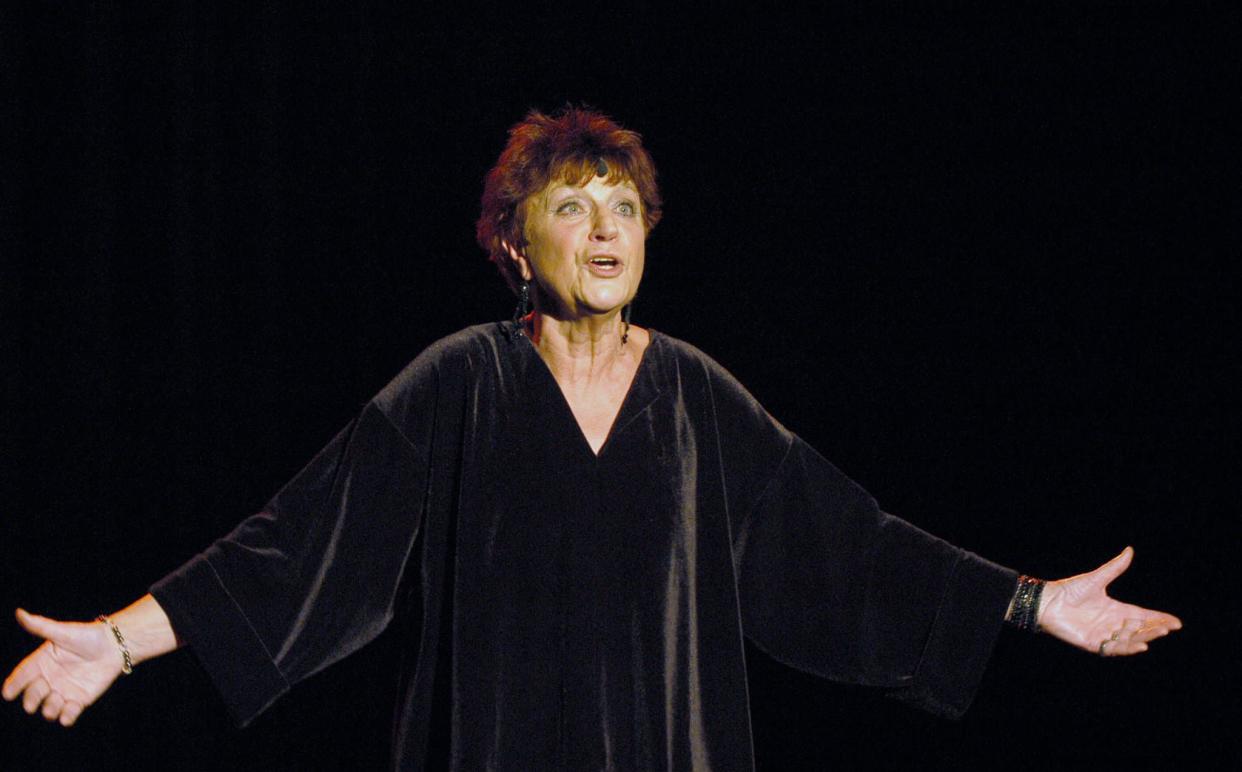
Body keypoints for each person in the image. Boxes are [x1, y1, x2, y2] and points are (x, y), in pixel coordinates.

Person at [4, 107, 1182, 769]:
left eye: (624, 206)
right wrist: (115, 642)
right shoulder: (458, 383)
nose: (605, 224)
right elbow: (300, 543)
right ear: (514, 245)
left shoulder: (697, 397)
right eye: (571, 203)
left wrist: (1031, 604)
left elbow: (852, 549)